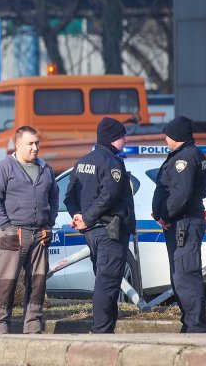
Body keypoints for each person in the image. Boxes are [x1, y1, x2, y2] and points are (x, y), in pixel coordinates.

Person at [64, 117, 135, 334]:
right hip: (109, 231)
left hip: (93, 233)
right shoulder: (111, 163)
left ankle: (105, 328)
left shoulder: (82, 161)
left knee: (105, 279)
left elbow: (69, 196)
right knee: (108, 282)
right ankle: (101, 331)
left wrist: (78, 215)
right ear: (114, 138)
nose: (125, 140)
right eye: (123, 136)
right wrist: (87, 217)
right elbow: (109, 197)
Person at [0, 125, 58, 334]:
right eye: (30, 143)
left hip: (40, 234)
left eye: (37, 143)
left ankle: (33, 324)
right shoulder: (3, 168)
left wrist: (50, 223)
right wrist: (6, 227)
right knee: (6, 281)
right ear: (18, 144)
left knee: (38, 281)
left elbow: (54, 197)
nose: (35, 148)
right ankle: (0, 324)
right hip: (14, 233)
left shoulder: (46, 168)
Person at [151, 115, 206, 333]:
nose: (165, 139)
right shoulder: (191, 154)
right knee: (183, 275)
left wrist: (165, 214)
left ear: (177, 136)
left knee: (185, 276)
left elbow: (180, 194)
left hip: (183, 224)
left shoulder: (183, 158)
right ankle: (190, 324)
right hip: (185, 223)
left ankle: (195, 327)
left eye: (168, 135)